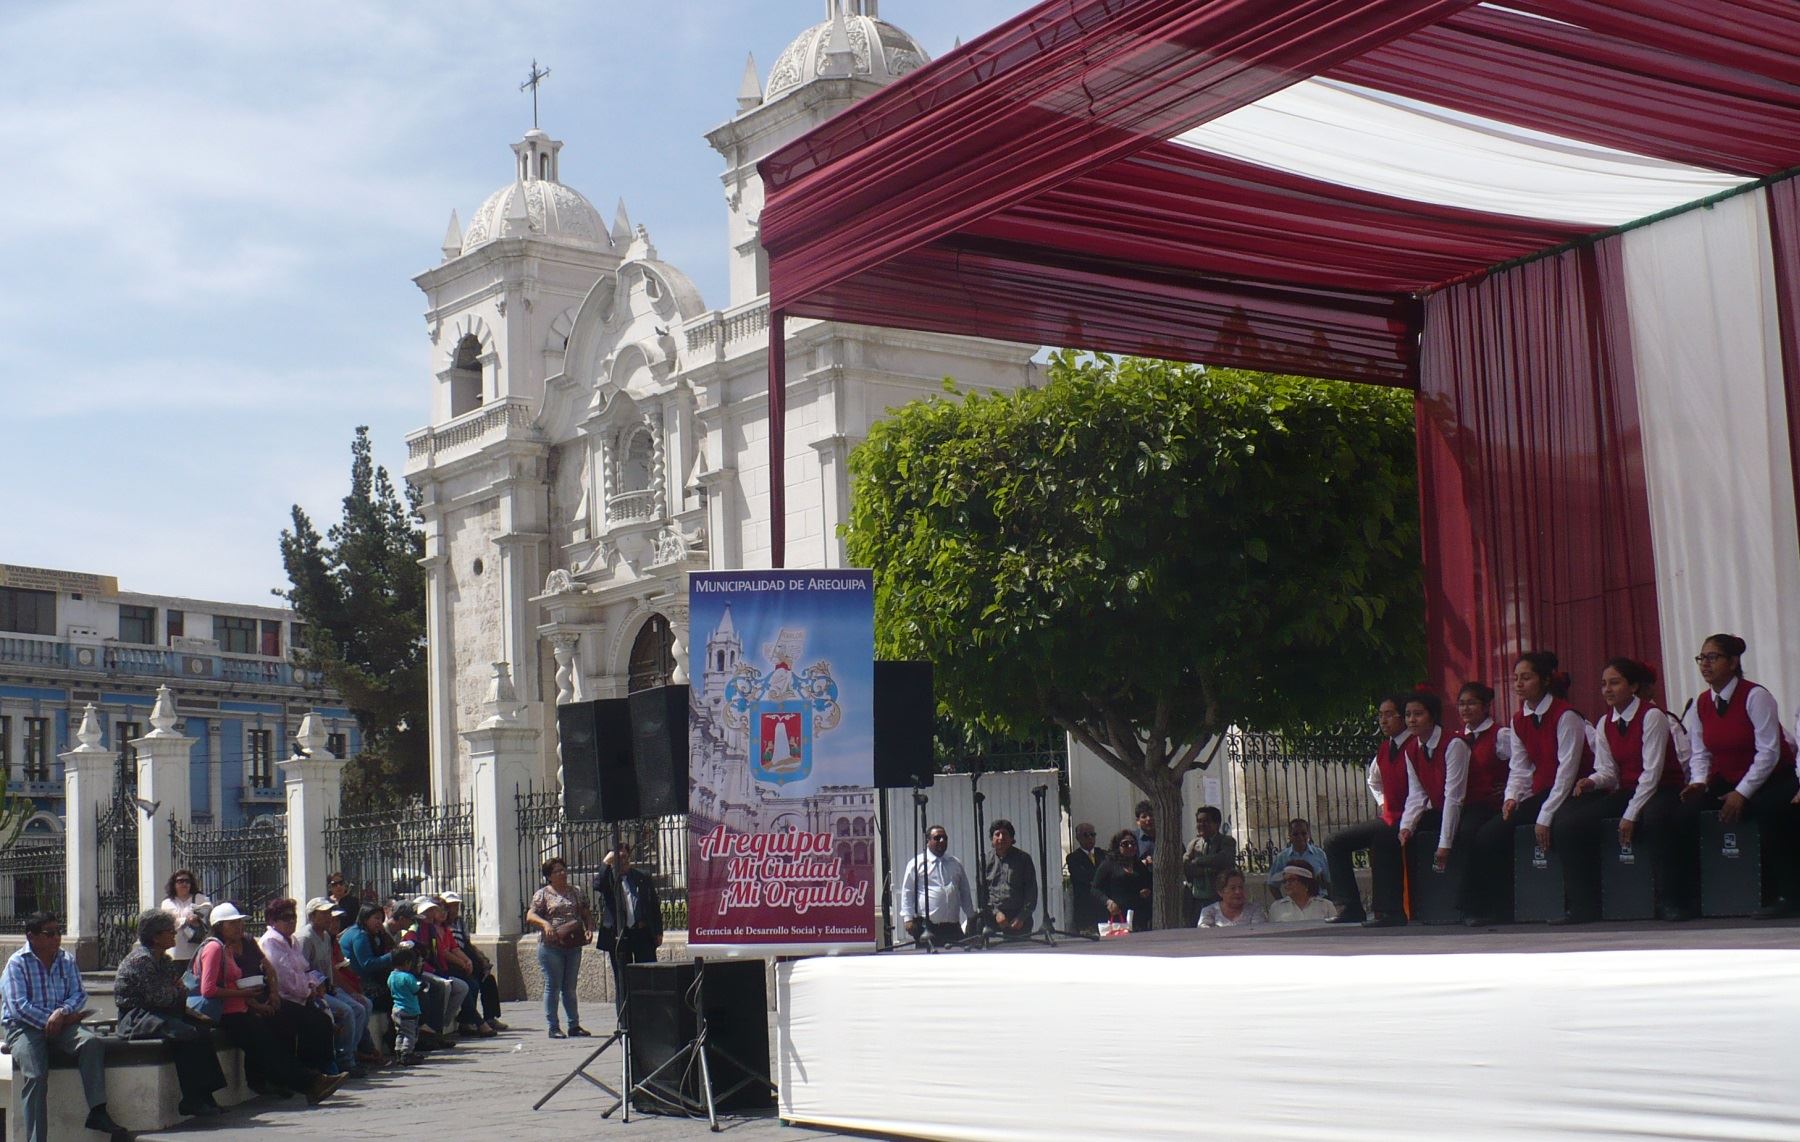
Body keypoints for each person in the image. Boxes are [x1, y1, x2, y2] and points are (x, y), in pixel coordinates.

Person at [1672, 633, 1800, 920]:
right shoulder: (1702, 704)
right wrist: (1698, 782)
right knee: (1683, 815)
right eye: (1701, 658)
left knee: (1769, 811)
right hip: (1727, 777)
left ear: (1732, 662)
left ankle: (1787, 894)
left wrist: (1742, 793)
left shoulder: (1756, 696)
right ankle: (1693, 898)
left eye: (1712, 657)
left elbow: (1769, 752)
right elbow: (1701, 752)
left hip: (1772, 777)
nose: (1705, 664)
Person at [1545, 658, 1682, 924]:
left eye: (1615, 683)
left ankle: (1669, 901)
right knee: (1570, 824)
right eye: (1604, 684)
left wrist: (1631, 814)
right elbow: (1608, 771)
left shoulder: (1652, 716)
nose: (1607, 689)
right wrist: (1592, 782)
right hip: (1630, 790)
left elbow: (1652, 773)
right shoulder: (1605, 723)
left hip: (1663, 788)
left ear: (1633, 686)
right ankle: (1584, 905)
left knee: (1655, 820)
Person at [1465, 652, 1586, 925]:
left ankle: (1577, 905)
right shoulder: (1519, 720)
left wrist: (1545, 815)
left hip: (1571, 792)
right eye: (1516, 678)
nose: (1519, 683)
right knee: (1489, 834)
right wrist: (1511, 797)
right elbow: (1519, 768)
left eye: (1526, 677)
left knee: (1565, 828)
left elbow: (1567, 770)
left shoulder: (1566, 716)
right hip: (1542, 792)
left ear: (1544, 680)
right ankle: (1497, 907)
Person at [0, 912, 129, 1141]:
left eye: (58, 932)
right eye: (49, 934)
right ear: (32, 936)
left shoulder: (66, 959)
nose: (56, 938)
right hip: (24, 1028)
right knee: (36, 1075)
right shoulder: (16, 964)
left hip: (63, 1022)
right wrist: (50, 1019)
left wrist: (62, 1013)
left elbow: (79, 994)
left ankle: (98, 1111)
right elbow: (19, 1006)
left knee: (91, 1043)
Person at [197, 902, 343, 1104]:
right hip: (228, 1014)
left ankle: (312, 1076)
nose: (239, 927)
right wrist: (248, 998)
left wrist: (271, 993)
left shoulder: (235, 945)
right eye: (232, 924)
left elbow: (266, 968)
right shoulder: (214, 948)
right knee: (269, 1047)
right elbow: (209, 989)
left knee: (299, 1024)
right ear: (220, 926)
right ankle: (311, 1082)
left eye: (240, 922)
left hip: (245, 1006)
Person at [114, 908, 227, 1118]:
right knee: (186, 1033)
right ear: (156, 937)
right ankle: (191, 1099)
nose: (174, 934)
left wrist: (176, 991)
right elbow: (161, 996)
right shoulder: (141, 961)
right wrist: (176, 991)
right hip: (137, 1017)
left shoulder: (164, 960)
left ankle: (206, 1094)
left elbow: (177, 992)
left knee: (202, 1031)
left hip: (162, 1011)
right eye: (169, 931)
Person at [1324, 695, 1416, 927]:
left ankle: (1389, 911)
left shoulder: (1414, 745)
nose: (1383, 721)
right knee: (1334, 842)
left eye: (1389, 714)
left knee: (1383, 838)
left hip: (1413, 816)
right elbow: (1373, 780)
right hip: (1390, 815)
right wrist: (1384, 802)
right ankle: (1349, 906)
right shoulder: (1385, 748)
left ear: (1402, 717)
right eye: (1380, 715)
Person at [259, 897, 344, 1077]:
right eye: (285, 917)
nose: (291, 921)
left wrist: (312, 985)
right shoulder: (271, 942)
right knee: (314, 1022)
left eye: (293, 916)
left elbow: (306, 969)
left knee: (323, 1020)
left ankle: (324, 1067)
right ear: (273, 921)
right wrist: (308, 989)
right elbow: (285, 978)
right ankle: (316, 1071)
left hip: (303, 995)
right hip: (285, 998)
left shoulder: (292, 941)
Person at [1451, 681, 1513, 920]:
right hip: (1463, 803)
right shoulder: (1456, 739)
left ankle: (1475, 904)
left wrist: (1508, 788)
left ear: (1486, 706)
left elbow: (1521, 765)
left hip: (1489, 805)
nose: (1466, 709)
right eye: (1462, 704)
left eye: (1472, 703)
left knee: (1471, 836)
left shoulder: (1500, 735)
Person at [1399, 689, 1471, 879]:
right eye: (1408, 715)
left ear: (1432, 716)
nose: (1412, 720)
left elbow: (1454, 796)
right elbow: (1417, 793)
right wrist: (1406, 826)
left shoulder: (1454, 744)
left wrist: (1444, 844)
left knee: (1468, 836)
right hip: (1440, 808)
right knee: (1403, 838)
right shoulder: (1411, 749)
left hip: (1469, 807)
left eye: (1418, 714)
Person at [301, 897, 376, 1071]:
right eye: (324, 913)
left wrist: (351, 992)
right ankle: (345, 1061)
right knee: (348, 1011)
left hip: (329, 988)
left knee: (363, 1005)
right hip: (314, 991)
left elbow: (331, 969)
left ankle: (350, 1052)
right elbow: (302, 970)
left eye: (330, 913)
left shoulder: (326, 936)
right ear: (312, 916)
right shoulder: (305, 938)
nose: (329, 917)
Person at [526, 856, 594, 1038]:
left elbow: (586, 912)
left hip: (573, 943)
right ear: (549, 876)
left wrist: (589, 928)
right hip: (552, 945)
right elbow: (530, 915)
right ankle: (553, 1026)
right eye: (557, 871)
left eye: (563, 869)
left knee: (570, 986)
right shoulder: (543, 894)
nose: (562, 873)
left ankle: (574, 1024)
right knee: (553, 985)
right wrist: (545, 924)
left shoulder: (576, 891)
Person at [595, 843, 664, 1016]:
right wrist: (606, 864)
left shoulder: (641, 876)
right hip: (619, 936)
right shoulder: (609, 878)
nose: (623, 861)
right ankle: (625, 1020)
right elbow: (597, 884)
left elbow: (653, 904)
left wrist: (658, 930)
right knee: (623, 980)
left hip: (641, 933)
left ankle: (649, 1015)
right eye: (619, 858)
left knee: (647, 975)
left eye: (626, 857)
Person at [406, 896, 483, 1037]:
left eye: (432, 911)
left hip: (435, 969)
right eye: (427, 911)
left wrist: (443, 970)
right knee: (444, 987)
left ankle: (441, 1026)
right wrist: (436, 971)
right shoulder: (413, 931)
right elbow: (417, 957)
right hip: (420, 971)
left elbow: (439, 953)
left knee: (463, 987)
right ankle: (434, 1029)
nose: (430, 914)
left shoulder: (431, 930)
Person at [898, 824, 974, 946]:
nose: (942, 840)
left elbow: (964, 892)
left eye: (944, 838)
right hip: (928, 928)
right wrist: (908, 918)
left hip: (952, 927)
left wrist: (971, 916)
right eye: (937, 838)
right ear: (928, 841)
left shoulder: (955, 863)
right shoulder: (917, 864)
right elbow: (908, 891)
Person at [441, 892, 506, 1032]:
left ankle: (490, 1017)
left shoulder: (460, 922)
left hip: (465, 957)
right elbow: (449, 949)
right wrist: (463, 961)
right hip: (454, 962)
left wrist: (481, 959)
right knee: (472, 984)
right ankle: (467, 1021)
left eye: (456, 905)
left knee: (488, 979)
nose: (455, 909)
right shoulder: (443, 926)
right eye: (452, 906)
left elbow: (467, 943)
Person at [979, 819, 1038, 934]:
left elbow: (1031, 892)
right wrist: (996, 913)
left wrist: (1022, 917)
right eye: (997, 834)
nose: (1001, 838)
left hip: (1019, 917)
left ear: (1012, 839)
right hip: (993, 916)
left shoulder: (1023, 859)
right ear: (992, 839)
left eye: (1005, 834)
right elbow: (982, 893)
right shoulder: (985, 860)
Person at [1181, 805, 1237, 925]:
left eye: (1206, 821)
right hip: (1196, 901)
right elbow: (1185, 865)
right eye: (1199, 821)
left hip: (1217, 898)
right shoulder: (1194, 844)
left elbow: (1223, 859)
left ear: (1216, 824)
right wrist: (1205, 869)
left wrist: (1198, 861)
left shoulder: (1226, 841)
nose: (1201, 825)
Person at [1090, 829, 1153, 931]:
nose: (1130, 847)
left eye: (1133, 843)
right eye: (1125, 844)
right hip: (1117, 916)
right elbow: (1095, 889)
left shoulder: (1139, 865)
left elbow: (1149, 884)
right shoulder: (1108, 864)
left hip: (1138, 917)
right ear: (1117, 846)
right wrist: (1108, 902)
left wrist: (1146, 891)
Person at [159, 868, 211, 973]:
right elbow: (168, 922)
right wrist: (186, 920)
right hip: (175, 951)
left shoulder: (199, 898)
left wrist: (197, 917)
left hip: (194, 950)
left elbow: (208, 911)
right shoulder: (167, 902)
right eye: (180, 881)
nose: (184, 884)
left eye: (187, 881)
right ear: (174, 884)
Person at [1264, 818, 1329, 901]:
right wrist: (1282, 903)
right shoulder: (1282, 857)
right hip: (1293, 904)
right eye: (1295, 834)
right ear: (1289, 836)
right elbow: (1272, 884)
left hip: (1318, 901)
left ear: (1308, 834)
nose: (1300, 837)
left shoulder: (1319, 854)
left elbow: (1329, 881)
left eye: (1303, 833)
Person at [1063, 823, 1107, 932]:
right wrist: (1099, 880)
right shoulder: (1073, 858)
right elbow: (1081, 878)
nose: (1090, 838)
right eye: (1086, 835)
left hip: (1103, 907)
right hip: (1086, 908)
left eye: (1093, 834)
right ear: (1078, 838)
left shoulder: (1103, 854)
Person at [387, 945, 425, 1065]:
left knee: (400, 1033)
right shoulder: (408, 977)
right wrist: (423, 986)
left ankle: (398, 1051)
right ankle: (407, 1054)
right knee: (410, 1034)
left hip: (396, 1009)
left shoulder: (391, 976)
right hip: (409, 1010)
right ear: (407, 963)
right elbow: (415, 990)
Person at [1198, 868, 1266, 928]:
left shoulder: (1255, 910)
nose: (1238, 891)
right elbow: (1206, 935)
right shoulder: (1209, 912)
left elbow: (1258, 933)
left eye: (1240, 887)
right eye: (1233, 888)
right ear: (1221, 892)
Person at [1268, 862, 1335, 921]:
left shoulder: (1326, 906)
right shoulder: (1276, 908)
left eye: (1291, 880)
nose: (1287, 884)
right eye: (1285, 881)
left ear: (1305, 882)